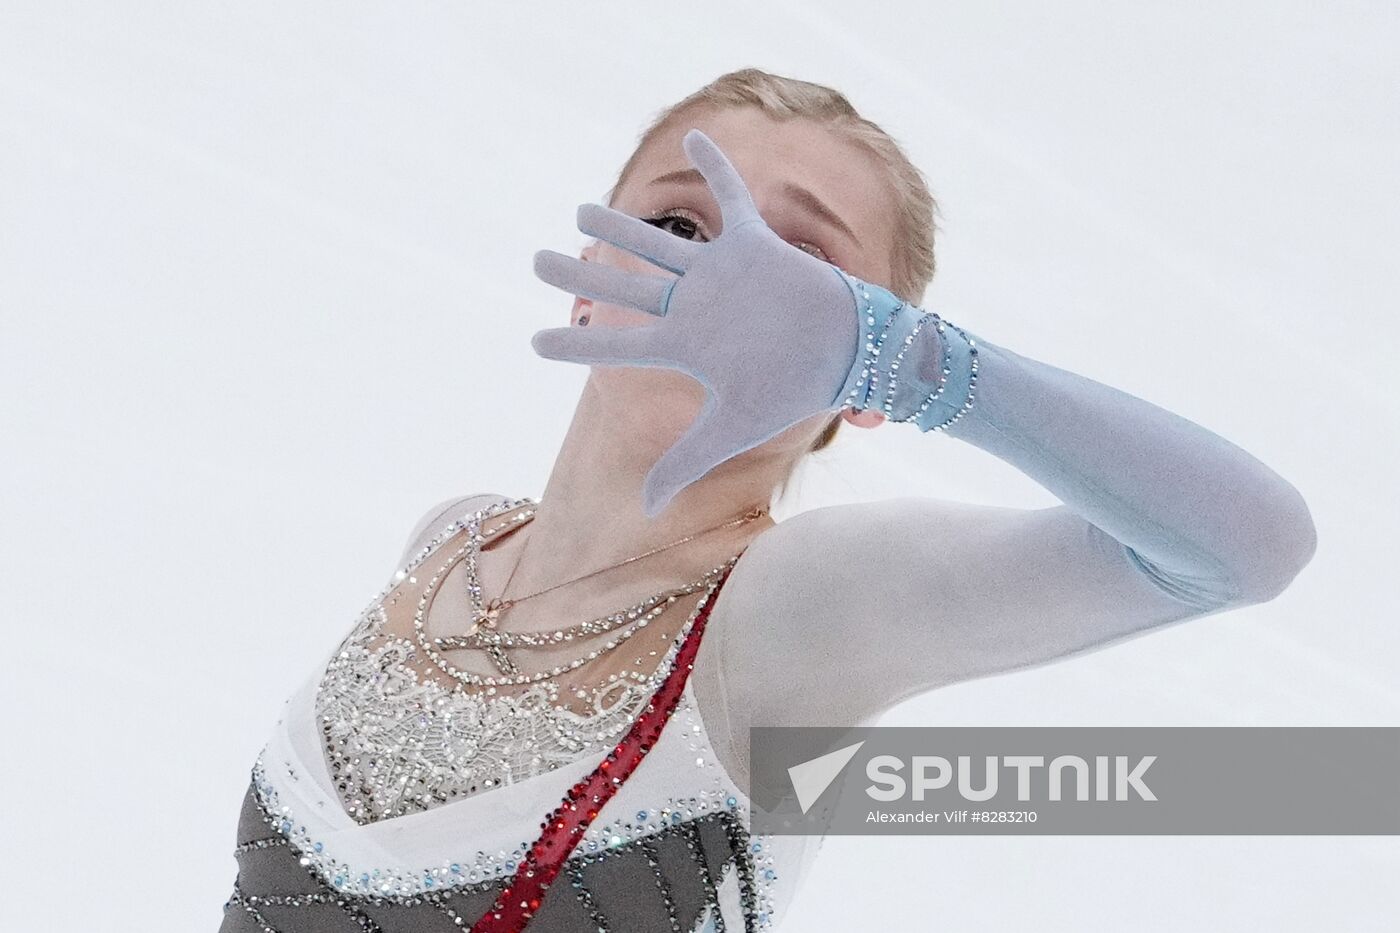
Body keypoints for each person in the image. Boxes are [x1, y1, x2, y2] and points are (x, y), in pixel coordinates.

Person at [219, 68, 1317, 933]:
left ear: (859, 393)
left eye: (803, 278)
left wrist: (909, 358)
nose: (722, 290)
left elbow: (1241, 545)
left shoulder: (791, 617)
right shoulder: (453, 540)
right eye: (682, 230)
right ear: (594, 271)